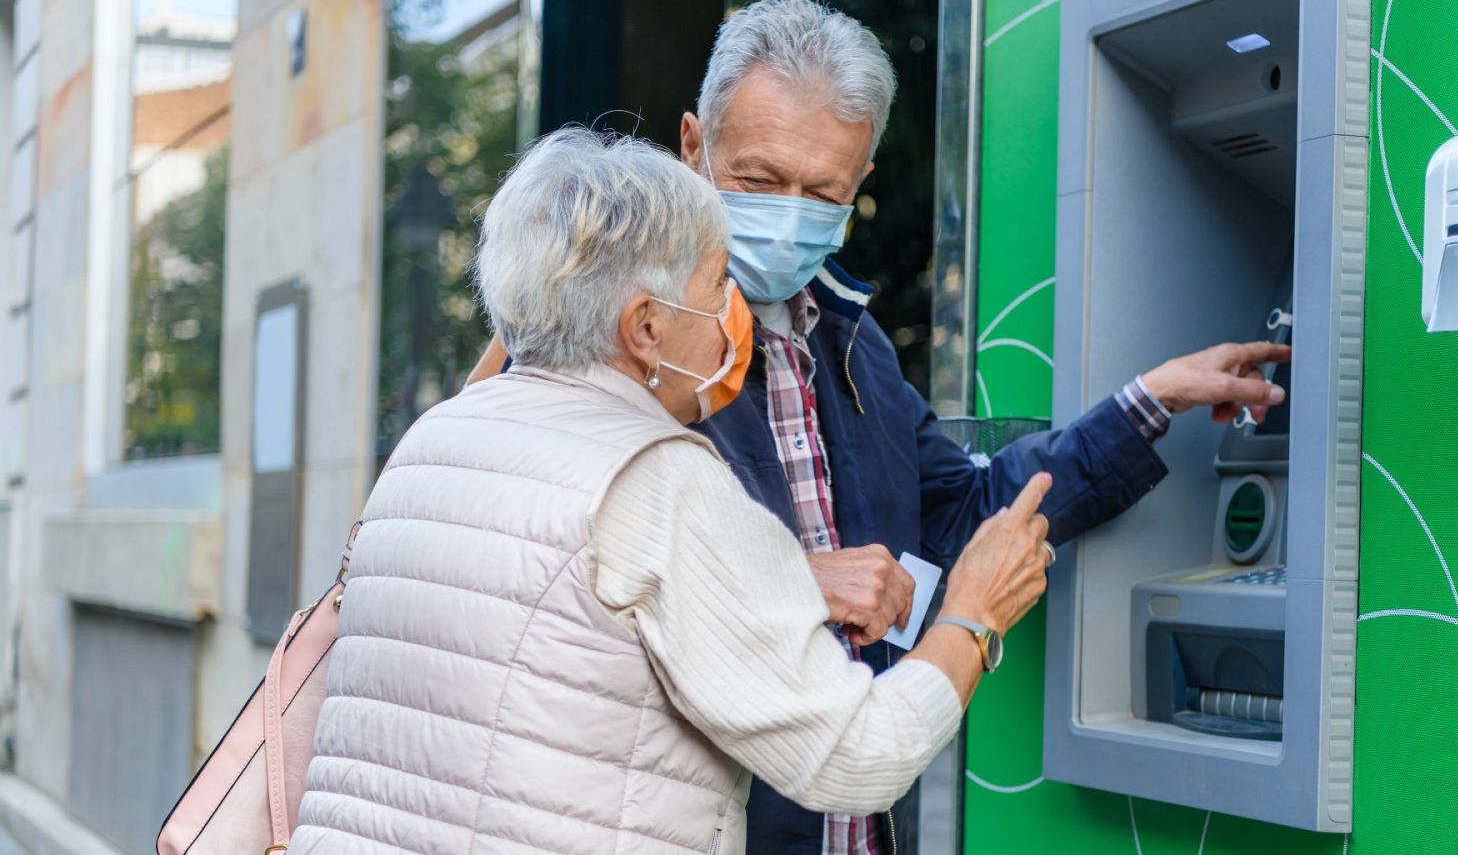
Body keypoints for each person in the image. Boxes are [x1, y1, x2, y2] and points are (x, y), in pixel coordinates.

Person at [467, 0, 1289, 854]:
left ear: (858, 186)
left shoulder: (853, 342)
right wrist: (790, 579)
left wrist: (1150, 402)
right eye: (757, 180)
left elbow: (958, 512)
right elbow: (528, 566)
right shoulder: (624, 337)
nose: (788, 211)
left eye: (821, 190)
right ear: (692, 146)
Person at [291, 128, 1058, 854]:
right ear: (646, 328)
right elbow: (856, 758)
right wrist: (974, 612)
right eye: (719, 281)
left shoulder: (434, 441)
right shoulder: (662, 478)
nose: (736, 313)